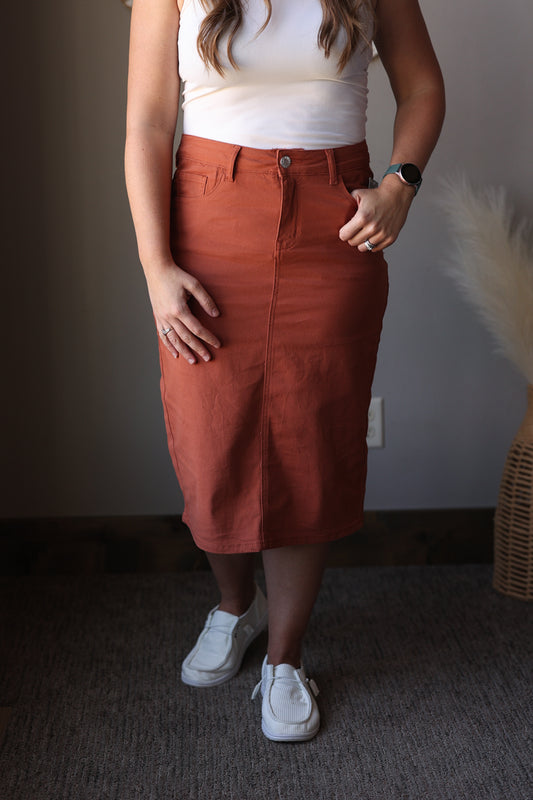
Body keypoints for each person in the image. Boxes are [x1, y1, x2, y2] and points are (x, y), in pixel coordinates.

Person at [125, 0, 445, 742]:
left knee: (310, 439)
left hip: (332, 218)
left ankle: (284, 657)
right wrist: (154, 266)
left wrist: (399, 183)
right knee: (210, 441)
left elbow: (422, 86)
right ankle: (236, 607)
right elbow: (147, 122)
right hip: (209, 215)